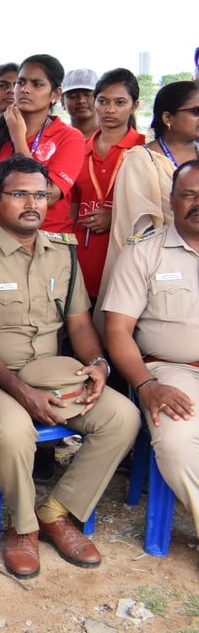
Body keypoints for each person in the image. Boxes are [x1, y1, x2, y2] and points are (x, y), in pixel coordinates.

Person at [0, 156, 139, 578]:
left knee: (123, 416)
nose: (32, 203)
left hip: (54, 368)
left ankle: (58, 511)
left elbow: (78, 322)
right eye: (20, 194)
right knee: (16, 431)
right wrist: (20, 390)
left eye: (40, 194)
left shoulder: (62, 250)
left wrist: (97, 364)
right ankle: (23, 528)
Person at [103, 159, 199, 556]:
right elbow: (117, 332)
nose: (197, 203)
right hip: (171, 371)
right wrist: (147, 384)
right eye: (189, 195)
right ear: (172, 200)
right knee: (177, 445)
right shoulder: (144, 253)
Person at [101, 80, 199, 304]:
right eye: (196, 111)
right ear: (168, 118)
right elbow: (137, 229)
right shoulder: (141, 160)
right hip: (163, 274)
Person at [0, 54, 84, 234]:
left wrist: (18, 138)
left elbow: (48, 195)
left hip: (47, 241)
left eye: (37, 84)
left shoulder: (69, 137)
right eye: (21, 83)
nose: (25, 89)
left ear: (55, 94)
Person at [73, 69, 144, 299]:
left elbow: (156, 212)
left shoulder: (144, 150)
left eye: (120, 102)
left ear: (135, 106)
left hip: (127, 263)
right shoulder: (78, 149)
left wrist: (115, 217)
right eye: (103, 101)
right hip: (82, 262)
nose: (110, 109)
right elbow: (71, 208)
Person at [62, 68, 100, 139]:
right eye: (73, 96)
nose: (81, 101)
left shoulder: (115, 135)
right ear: (62, 102)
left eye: (88, 94)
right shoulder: (59, 139)